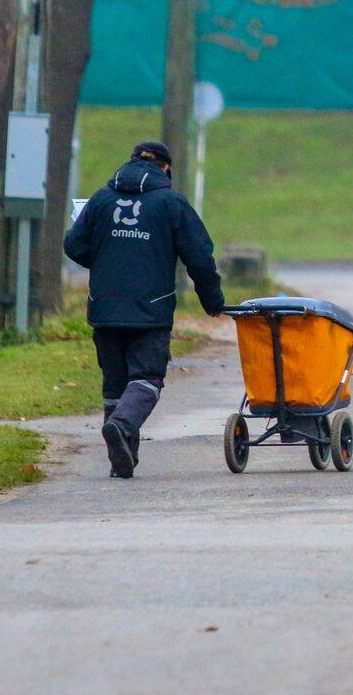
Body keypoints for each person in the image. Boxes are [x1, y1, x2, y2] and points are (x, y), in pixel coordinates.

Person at [64, 140, 225, 478]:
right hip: (149, 311)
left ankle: (121, 460)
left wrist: (107, 258)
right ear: (166, 168)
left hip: (104, 307)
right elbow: (199, 256)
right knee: (147, 378)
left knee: (115, 385)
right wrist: (212, 301)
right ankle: (121, 427)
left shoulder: (101, 199)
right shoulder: (171, 203)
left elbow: (74, 245)